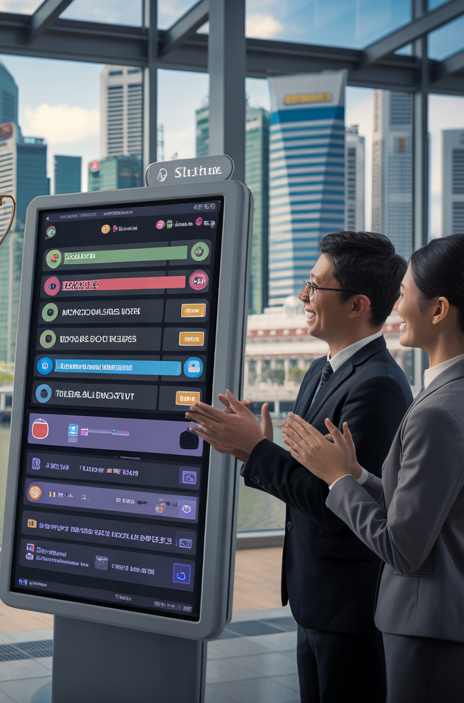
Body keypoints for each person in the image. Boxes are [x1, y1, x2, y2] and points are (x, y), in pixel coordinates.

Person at [284, 233, 464, 703]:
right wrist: (357, 476)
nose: (395, 306)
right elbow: (424, 512)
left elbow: (402, 548)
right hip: (454, 622)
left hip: (430, 631)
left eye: (402, 293)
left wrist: (338, 479)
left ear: (438, 310)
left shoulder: (438, 411)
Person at [185, 231, 412, 703]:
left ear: (357, 305)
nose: (303, 297)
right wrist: (260, 448)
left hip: (350, 604)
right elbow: (319, 476)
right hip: (314, 594)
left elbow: (344, 504)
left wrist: (256, 452)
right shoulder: (319, 371)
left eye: (315, 286)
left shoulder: (379, 387)